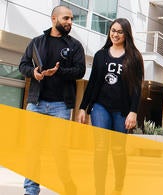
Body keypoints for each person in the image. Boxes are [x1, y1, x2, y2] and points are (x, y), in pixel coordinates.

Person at [18, 5, 85, 195]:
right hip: (36, 104)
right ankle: (31, 190)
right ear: (54, 18)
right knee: (33, 151)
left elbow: (80, 71)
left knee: (59, 153)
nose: (70, 22)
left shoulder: (75, 46)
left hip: (61, 106)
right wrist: (34, 73)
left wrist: (59, 72)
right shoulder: (37, 42)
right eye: (66, 18)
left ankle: (67, 186)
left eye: (71, 19)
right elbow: (22, 65)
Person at [76, 18, 144, 195]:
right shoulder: (101, 55)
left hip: (122, 110)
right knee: (100, 148)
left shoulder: (134, 57)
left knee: (118, 150)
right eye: (113, 30)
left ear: (126, 34)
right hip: (100, 106)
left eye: (119, 31)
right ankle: (99, 189)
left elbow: (137, 87)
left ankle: (118, 186)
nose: (115, 34)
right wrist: (83, 107)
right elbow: (92, 83)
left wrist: (133, 112)